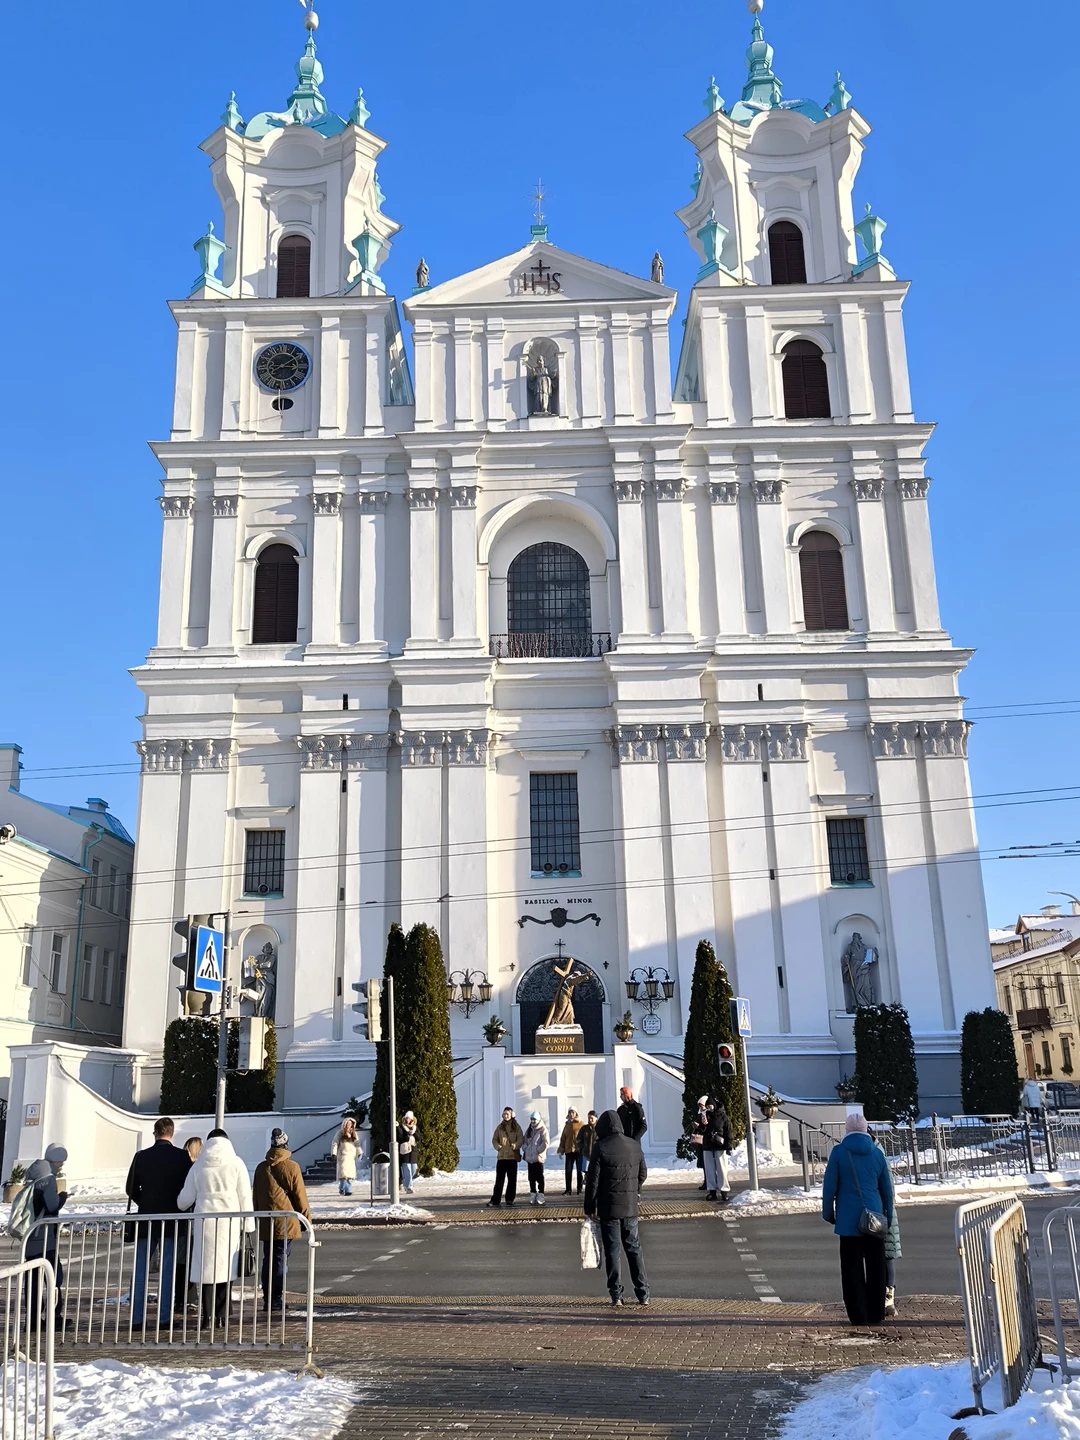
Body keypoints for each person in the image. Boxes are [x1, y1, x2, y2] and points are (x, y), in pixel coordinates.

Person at [177, 1128, 255, 1329]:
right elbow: (245, 1196)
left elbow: (185, 1200)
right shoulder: (236, 1163)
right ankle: (222, 1315)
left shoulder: (199, 1166)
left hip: (204, 1223)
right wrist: (248, 1224)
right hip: (229, 1223)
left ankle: (206, 1317)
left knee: (206, 1273)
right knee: (225, 1270)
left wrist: (179, 1203)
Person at [821, 1113, 894, 1326]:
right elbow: (887, 1190)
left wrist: (829, 1214)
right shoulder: (877, 1153)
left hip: (848, 1221)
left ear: (847, 1130)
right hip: (875, 1219)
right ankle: (876, 1312)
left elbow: (829, 1188)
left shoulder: (839, 1153)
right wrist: (887, 1213)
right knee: (876, 1267)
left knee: (851, 1268)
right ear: (865, 1129)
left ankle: (858, 1314)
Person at [125, 1116, 193, 1330]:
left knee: (141, 1270)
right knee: (167, 1270)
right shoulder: (182, 1157)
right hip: (172, 1219)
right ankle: (164, 1317)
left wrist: (144, 1201)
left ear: (155, 1133)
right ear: (171, 1134)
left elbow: (130, 1188)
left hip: (146, 1217)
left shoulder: (141, 1156)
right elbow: (187, 1188)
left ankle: (137, 1318)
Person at [583, 1110, 649, 1307]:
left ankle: (616, 1294)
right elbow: (643, 1173)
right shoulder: (634, 1145)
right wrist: (633, 1189)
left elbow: (592, 1182)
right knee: (634, 1248)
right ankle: (643, 1292)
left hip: (608, 1208)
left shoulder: (600, 1147)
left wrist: (589, 1207)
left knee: (613, 1251)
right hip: (630, 1207)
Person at [252, 1127, 311, 1314]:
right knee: (280, 1259)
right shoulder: (292, 1167)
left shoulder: (261, 1168)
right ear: (286, 1145)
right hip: (286, 1221)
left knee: (268, 1259)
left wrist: (257, 1216)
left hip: (266, 1221)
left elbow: (256, 1196)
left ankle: (268, 1297)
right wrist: (306, 1221)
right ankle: (276, 1298)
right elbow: (300, 1197)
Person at [23, 1144, 68, 1326]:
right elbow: (51, 1205)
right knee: (54, 1277)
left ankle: (32, 1320)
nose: (62, 1165)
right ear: (56, 1159)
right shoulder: (48, 1179)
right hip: (45, 1238)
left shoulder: (33, 1175)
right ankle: (54, 1319)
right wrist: (63, 1197)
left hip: (31, 1235)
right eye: (61, 1161)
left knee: (32, 1281)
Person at [692, 1096, 734, 1203]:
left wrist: (728, 1145)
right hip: (708, 1146)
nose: (709, 1108)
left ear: (714, 1105)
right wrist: (700, 1126)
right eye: (707, 1106)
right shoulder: (705, 1116)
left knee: (721, 1168)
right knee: (709, 1169)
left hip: (720, 1146)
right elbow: (703, 1130)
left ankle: (724, 1191)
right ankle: (712, 1191)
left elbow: (728, 1131)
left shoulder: (723, 1117)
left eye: (710, 1106)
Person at [488, 1107, 524, 1207]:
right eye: (504, 1114)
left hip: (512, 1158)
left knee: (512, 1180)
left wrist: (516, 1145)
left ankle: (510, 1199)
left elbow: (521, 1139)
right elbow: (494, 1139)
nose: (505, 1116)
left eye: (507, 1114)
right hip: (502, 1157)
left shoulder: (516, 1127)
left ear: (512, 1115)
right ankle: (495, 1199)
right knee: (499, 1180)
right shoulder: (500, 1127)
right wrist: (498, 1147)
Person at [523, 1111, 550, 1206]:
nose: (532, 1121)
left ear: (538, 1120)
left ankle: (541, 1194)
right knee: (531, 1178)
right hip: (530, 1158)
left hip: (538, 1158)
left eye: (534, 1119)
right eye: (531, 1119)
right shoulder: (529, 1130)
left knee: (539, 1177)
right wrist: (525, 1148)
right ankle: (533, 1194)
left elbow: (546, 1142)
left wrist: (538, 1150)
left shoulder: (543, 1130)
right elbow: (524, 1140)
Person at [331, 1117, 361, 1197]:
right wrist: (334, 1153)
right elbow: (335, 1143)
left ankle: (343, 1188)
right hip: (343, 1156)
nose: (349, 1125)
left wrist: (359, 1152)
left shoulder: (353, 1134)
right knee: (344, 1174)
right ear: (344, 1124)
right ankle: (347, 1190)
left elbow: (357, 1144)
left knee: (349, 1175)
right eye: (347, 1124)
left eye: (350, 1124)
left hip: (351, 1157)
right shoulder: (340, 1133)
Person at [558, 1109, 584, 1195]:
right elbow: (563, 1138)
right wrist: (561, 1150)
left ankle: (579, 1188)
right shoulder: (567, 1125)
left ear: (576, 1113)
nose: (571, 1114)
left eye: (573, 1112)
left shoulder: (581, 1124)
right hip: (569, 1150)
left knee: (579, 1170)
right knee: (568, 1171)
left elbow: (584, 1137)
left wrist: (583, 1148)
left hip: (578, 1151)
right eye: (570, 1112)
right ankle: (568, 1189)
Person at [397, 1113, 419, 1195]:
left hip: (413, 1152)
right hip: (405, 1152)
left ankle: (405, 1181)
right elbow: (400, 1138)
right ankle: (409, 1187)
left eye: (409, 1118)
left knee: (413, 1169)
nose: (407, 1120)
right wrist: (407, 1136)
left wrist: (413, 1133)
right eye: (406, 1118)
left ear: (412, 1119)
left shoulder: (415, 1128)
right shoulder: (401, 1127)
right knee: (407, 1169)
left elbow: (419, 1138)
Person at [578, 1111, 598, 1178]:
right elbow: (578, 1139)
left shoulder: (599, 1128)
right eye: (589, 1118)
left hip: (596, 1154)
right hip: (586, 1154)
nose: (590, 1120)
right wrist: (581, 1148)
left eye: (592, 1118)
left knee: (595, 1172)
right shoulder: (584, 1128)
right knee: (586, 1172)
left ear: (596, 1118)